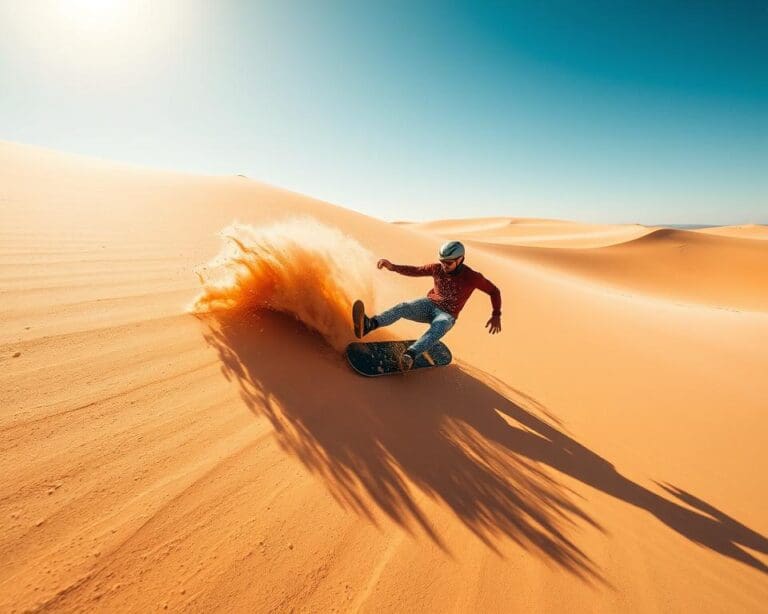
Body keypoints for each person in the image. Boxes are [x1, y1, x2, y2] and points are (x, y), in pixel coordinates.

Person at [353, 240, 502, 371]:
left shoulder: (473, 277)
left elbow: (494, 291)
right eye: (442, 261)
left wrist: (496, 314)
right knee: (404, 307)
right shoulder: (437, 268)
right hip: (429, 304)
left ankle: (409, 355)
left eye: (448, 263)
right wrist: (393, 267)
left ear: (460, 259)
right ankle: (369, 324)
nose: (444, 265)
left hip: (447, 314)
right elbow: (416, 270)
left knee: (441, 325)